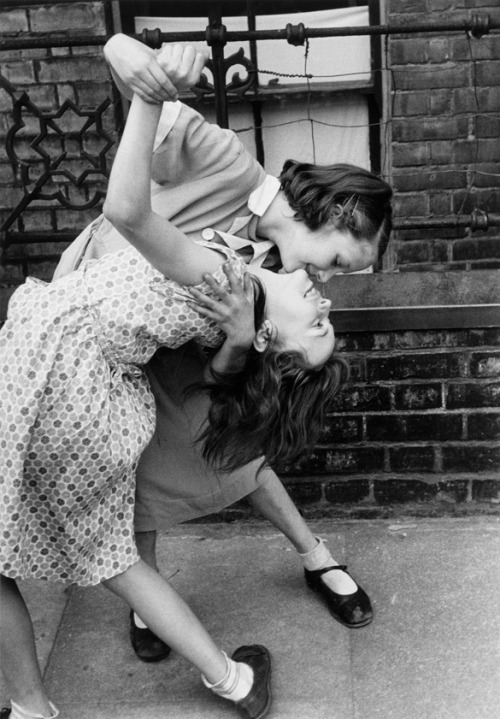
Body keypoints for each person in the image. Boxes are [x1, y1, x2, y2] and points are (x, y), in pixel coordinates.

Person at [0, 48, 353, 719]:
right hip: (83, 387)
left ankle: (31, 707)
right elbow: (227, 359)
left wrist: (148, 97)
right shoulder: (244, 278)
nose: (328, 303)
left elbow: (128, 211)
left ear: (276, 337)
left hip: (59, 370)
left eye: (319, 326)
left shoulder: (229, 282)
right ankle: (232, 682)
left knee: (100, 556)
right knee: (115, 557)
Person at [54, 36, 393, 662]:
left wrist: (241, 337)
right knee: (137, 464)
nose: (330, 280)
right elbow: (148, 112)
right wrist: (125, 50)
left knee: (232, 445)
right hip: (99, 325)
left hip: (174, 353)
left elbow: (231, 368)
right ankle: (145, 601)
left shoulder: (280, 273)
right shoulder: (227, 160)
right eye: (341, 261)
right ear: (337, 214)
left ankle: (316, 558)